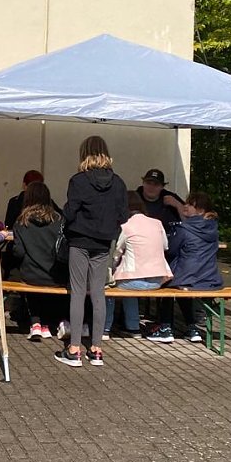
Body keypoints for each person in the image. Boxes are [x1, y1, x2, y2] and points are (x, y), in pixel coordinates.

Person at [55, 135, 127, 368]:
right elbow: (123, 216)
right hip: (103, 243)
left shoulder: (78, 181)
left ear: (83, 153)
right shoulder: (118, 183)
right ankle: (96, 349)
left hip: (80, 241)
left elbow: (70, 211)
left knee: (77, 292)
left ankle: (74, 348)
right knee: (98, 294)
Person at [147, 192, 223, 344]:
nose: (185, 206)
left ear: (200, 210)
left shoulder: (185, 228)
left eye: (190, 204)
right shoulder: (213, 228)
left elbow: (171, 250)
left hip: (189, 277)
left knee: (167, 284)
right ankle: (192, 328)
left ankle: (165, 327)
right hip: (210, 279)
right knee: (183, 288)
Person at [105, 191, 173, 339]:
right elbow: (165, 246)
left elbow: (117, 253)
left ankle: (105, 328)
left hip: (133, 281)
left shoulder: (126, 226)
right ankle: (133, 328)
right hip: (157, 281)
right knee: (131, 288)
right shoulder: (157, 223)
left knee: (109, 288)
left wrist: (114, 267)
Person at [11, 181, 69, 341]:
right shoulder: (59, 220)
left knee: (26, 279)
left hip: (32, 275)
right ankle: (53, 323)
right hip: (56, 275)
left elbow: (19, 252)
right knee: (56, 284)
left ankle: (36, 323)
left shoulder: (21, 222)